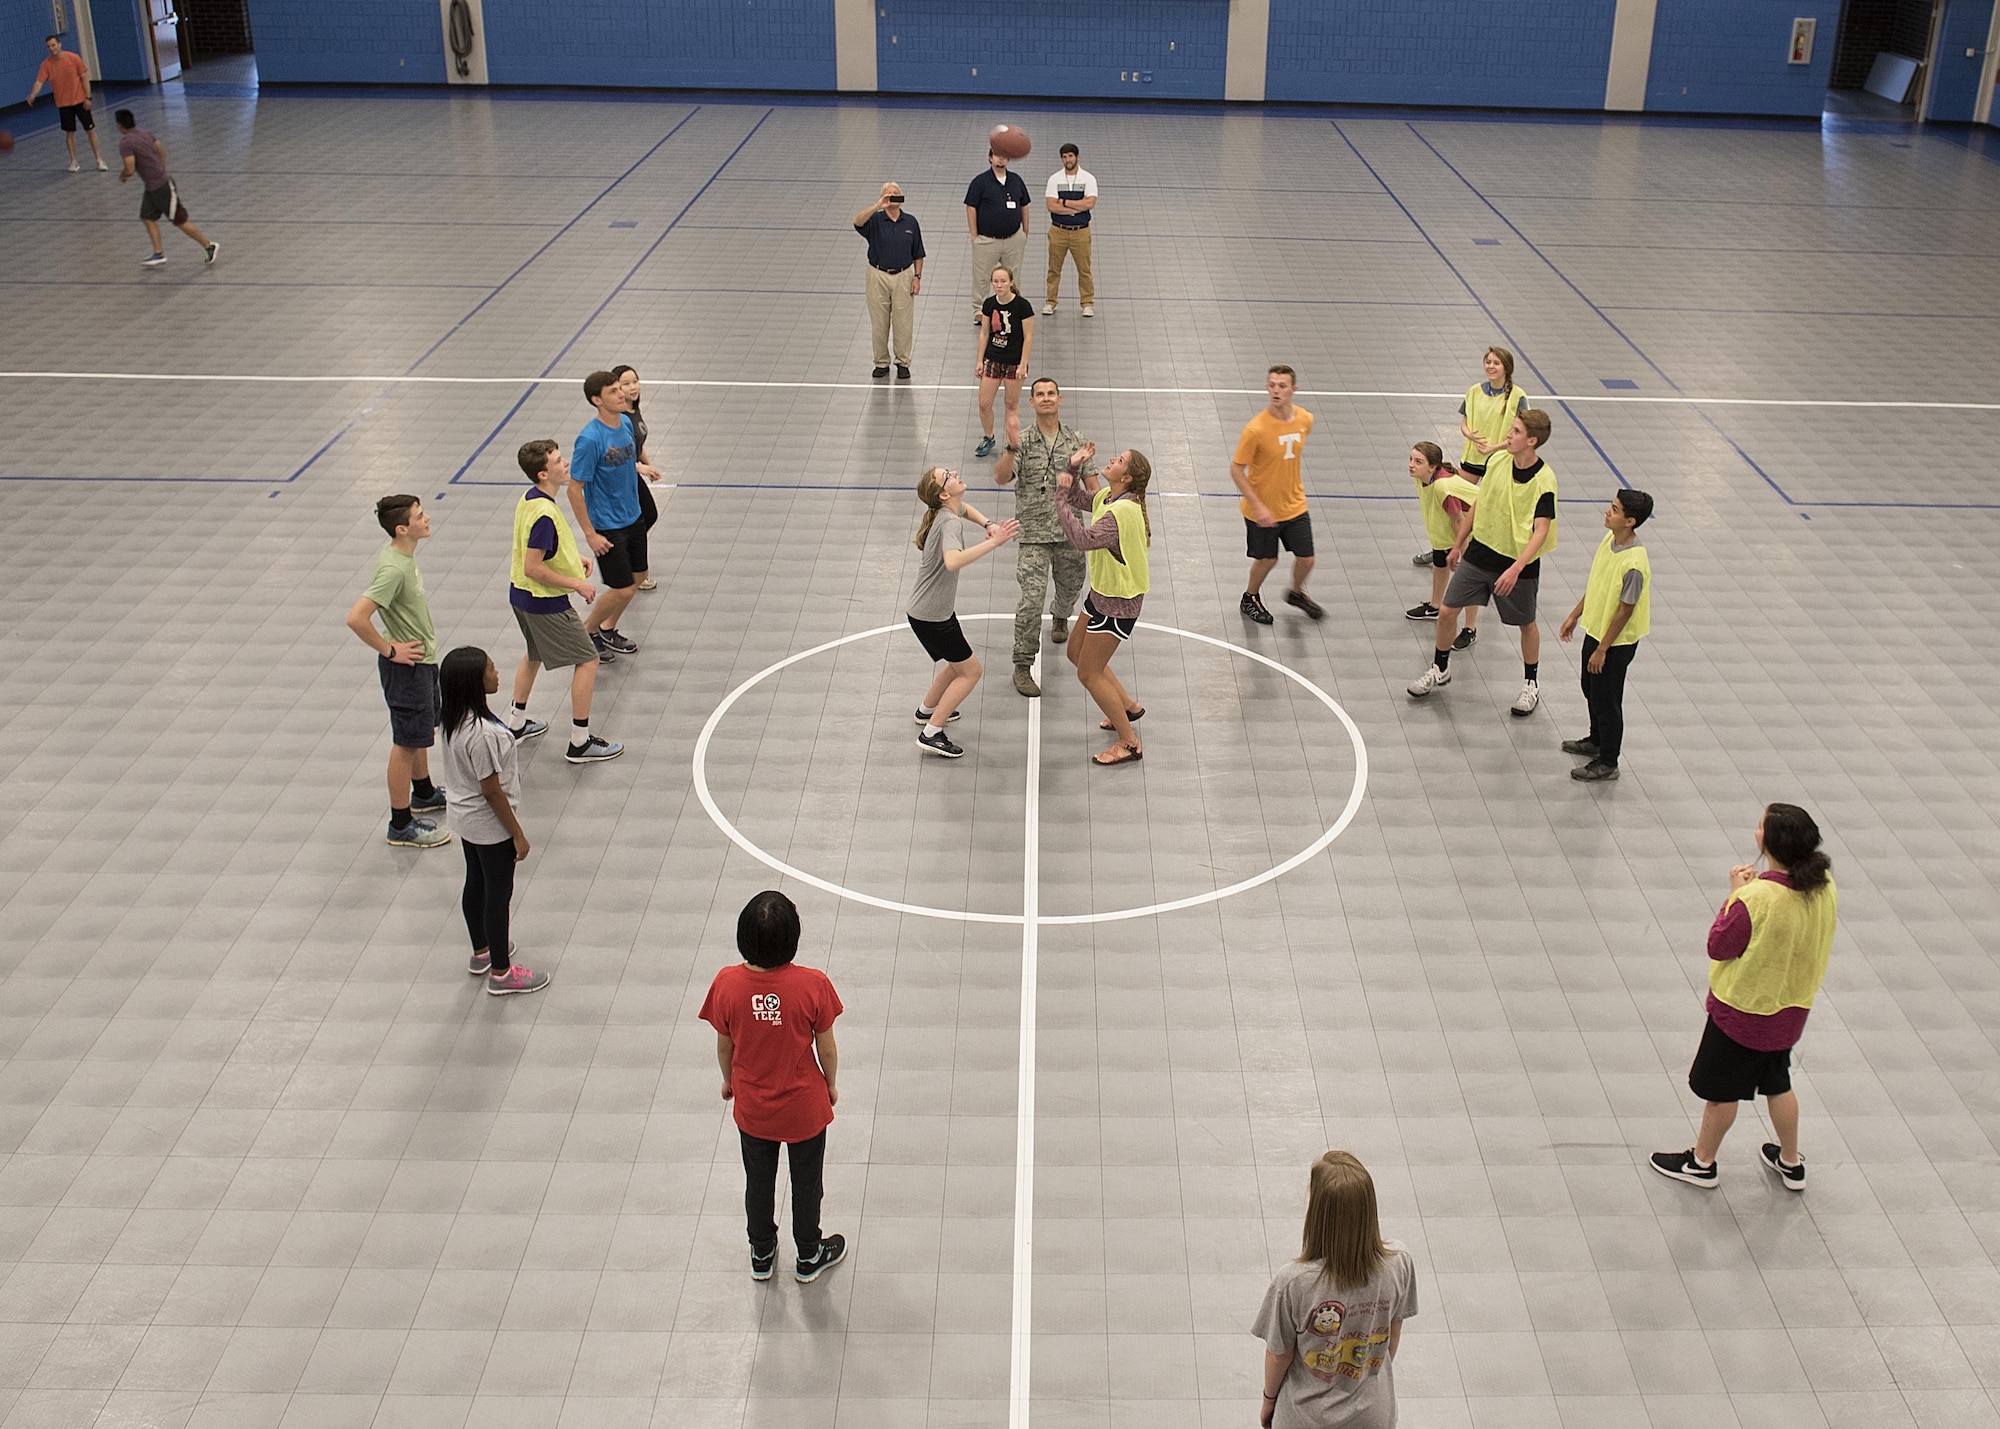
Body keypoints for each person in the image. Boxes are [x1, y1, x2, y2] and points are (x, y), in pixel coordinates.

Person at [1652, 805, 1836, 1192]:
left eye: (1759, 825)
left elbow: (1720, 945)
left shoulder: (1757, 899)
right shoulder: (1823, 886)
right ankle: (1790, 1161)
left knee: (1721, 1093)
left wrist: (1736, 895)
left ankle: (1702, 1164)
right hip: (1791, 1009)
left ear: (1769, 842)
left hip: (1745, 1013)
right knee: (1778, 1083)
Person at [699, 891, 849, 1284]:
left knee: (758, 1182)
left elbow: (724, 1044)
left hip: (754, 1110)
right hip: (804, 1109)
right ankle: (809, 1254)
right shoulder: (812, 985)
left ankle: (762, 1251)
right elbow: (827, 1048)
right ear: (793, 940)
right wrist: (830, 1086)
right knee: (807, 1184)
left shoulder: (727, 984)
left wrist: (729, 1081)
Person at [1406, 410, 1557, 715]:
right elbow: (1479, 504)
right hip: (1481, 551)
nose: (1508, 436)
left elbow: (1541, 531)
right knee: (1447, 612)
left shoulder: (1545, 480)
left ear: (1532, 440)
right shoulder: (1499, 461)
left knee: (1526, 624)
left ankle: (1531, 684)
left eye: (1514, 432)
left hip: (1517, 563)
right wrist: (1459, 543)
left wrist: (1515, 569)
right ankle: (1440, 668)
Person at [1252, 1151, 1418, 1429]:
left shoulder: (1294, 1283)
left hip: (1305, 1418)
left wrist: (1269, 1400)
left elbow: (1279, 1354)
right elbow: (1392, 1332)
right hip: (1373, 1414)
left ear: (1318, 1213)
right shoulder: (1399, 1262)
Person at [436, 647, 550, 996]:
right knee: (498, 896)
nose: (497, 672)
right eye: (490, 669)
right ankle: (502, 973)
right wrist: (517, 834)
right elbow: (492, 791)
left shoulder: (452, 719)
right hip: (489, 825)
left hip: (464, 818)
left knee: (476, 883)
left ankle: (481, 952)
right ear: (474, 682)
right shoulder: (484, 734)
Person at [507, 439, 623, 764]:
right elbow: (534, 566)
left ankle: (516, 724)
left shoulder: (530, 499)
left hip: (519, 594)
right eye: (558, 461)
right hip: (544, 602)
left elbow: (540, 552)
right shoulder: (544, 513)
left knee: (533, 653)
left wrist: (575, 560)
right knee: (587, 659)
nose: (566, 463)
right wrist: (576, 583)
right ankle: (580, 741)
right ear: (544, 473)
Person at [344, 495, 448, 848]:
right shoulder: (392, 569)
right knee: (405, 743)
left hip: (421, 660)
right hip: (407, 667)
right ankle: (400, 823)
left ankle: (423, 792)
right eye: (420, 516)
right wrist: (390, 649)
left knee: (418, 734)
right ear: (402, 528)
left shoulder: (403, 555)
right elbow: (357, 618)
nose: (427, 518)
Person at [908, 468, 1020, 758]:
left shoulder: (946, 512)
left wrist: (989, 523)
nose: (955, 473)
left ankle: (926, 710)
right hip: (934, 616)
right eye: (947, 476)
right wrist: (993, 542)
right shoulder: (949, 524)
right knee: (971, 672)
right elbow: (953, 561)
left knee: (956, 664)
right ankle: (931, 732)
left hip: (927, 612)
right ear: (944, 494)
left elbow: (966, 509)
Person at [995, 378, 1094, 697]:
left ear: (1060, 400)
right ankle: (1022, 665)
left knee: (1071, 588)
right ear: (1032, 403)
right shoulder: (1020, 440)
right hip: (1034, 534)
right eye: (1040, 394)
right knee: (1031, 600)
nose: (1046, 398)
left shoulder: (1076, 439)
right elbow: (1001, 478)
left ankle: (1061, 615)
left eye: (1051, 393)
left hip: (1070, 532)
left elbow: (1094, 488)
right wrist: (1010, 445)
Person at [1056, 444, 1151, 766]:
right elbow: (1077, 498)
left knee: (1088, 672)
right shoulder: (1107, 498)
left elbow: (1082, 539)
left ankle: (1129, 742)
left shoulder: (1121, 513)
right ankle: (1127, 706)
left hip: (1118, 602)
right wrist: (1073, 468)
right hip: (1102, 592)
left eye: (1119, 461)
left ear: (1127, 476)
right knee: (1075, 652)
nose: (1111, 460)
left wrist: (1059, 497)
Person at [1557, 488, 1654, 782]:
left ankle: (1608, 761)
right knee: (1590, 687)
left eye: (1614, 510)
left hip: (1614, 643)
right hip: (1597, 632)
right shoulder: (1608, 541)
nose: (1607, 512)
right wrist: (1576, 614)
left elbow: (1625, 611)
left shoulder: (1634, 565)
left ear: (1630, 521)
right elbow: (1598, 583)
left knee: (1607, 700)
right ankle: (1596, 739)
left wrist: (1603, 650)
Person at [1415, 347, 1533, 567]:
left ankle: (1499, 556)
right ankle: (1441, 548)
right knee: (1453, 506)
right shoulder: (1474, 392)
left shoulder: (1518, 396)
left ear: (1506, 368)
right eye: (1488, 362)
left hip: (1499, 462)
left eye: (1496, 363)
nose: (1490, 366)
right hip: (1472, 459)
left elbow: (1523, 432)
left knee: (1496, 509)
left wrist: (1494, 448)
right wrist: (1469, 434)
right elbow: (1465, 423)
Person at [568, 371, 648, 659]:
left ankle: (607, 627)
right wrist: (590, 533)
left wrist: (642, 468)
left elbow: (628, 459)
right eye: (613, 391)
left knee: (640, 575)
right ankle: (587, 631)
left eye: (620, 389)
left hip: (633, 515)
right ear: (596, 400)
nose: (621, 394)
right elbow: (574, 489)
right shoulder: (589, 440)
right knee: (623, 589)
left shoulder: (625, 422)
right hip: (608, 525)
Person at [1233, 366, 1321, 624]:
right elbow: (1236, 470)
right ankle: (1250, 597)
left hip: (1294, 504)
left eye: (1282, 385)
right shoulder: (1256, 429)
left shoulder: (1305, 419)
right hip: (1261, 510)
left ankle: (1296, 592)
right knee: (1267, 560)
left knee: (1307, 558)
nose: (1275, 390)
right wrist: (1258, 506)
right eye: (1271, 385)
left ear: (1293, 389)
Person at [115, 110, 216, 268]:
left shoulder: (126, 143)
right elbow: (160, 150)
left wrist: (124, 176)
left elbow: (130, 168)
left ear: (119, 125)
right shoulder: (145, 133)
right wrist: (160, 168)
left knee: (179, 220)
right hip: (153, 186)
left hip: (161, 187)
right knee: (147, 216)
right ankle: (158, 252)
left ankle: (208, 246)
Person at [1404, 442, 1479, 646]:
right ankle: (1435, 606)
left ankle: (1470, 628)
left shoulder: (1443, 487)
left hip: (1472, 531)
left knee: (1469, 579)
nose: (1411, 465)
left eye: (1418, 462)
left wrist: (1463, 551)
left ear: (1432, 466)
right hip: (1443, 535)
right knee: (1439, 563)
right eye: (1411, 459)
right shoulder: (1423, 479)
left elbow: (1458, 520)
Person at [852, 182, 924, 380]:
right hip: (878, 275)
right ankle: (881, 362)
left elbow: (918, 252)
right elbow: (857, 222)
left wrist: (917, 277)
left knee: (903, 322)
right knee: (879, 322)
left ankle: (902, 362)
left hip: (903, 276)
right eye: (888, 194)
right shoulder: (875, 220)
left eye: (895, 194)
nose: (892, 197)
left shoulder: (910, 222)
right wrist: (877, 206)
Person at [609, 365, 667, 591]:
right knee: (644, 516)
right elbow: (616, 453)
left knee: (646, 516)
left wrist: (649, 464)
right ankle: (631, 565)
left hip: (633, 473)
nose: (633, 387)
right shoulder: (619, 418)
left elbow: (637, 444)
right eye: (626, 384)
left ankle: (631, 559)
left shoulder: (633, 410)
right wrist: (640, 468)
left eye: (635, 381)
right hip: (623, 476)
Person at [964, 147, 1029, 326]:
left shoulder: (1016, 180)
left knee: (1013, 275)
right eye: (997, 156)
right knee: (982, 276)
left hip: (1013, 239)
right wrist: (974, 235)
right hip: (987, 240)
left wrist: (1025, 232)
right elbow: (971, 207)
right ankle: (979, 310)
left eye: (1004, 156)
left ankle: (1013, 307)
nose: (1001, 160)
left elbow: (1024, 205)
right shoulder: (980, 182)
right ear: (990, 158)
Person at [974, 266, 1034, 459]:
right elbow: (984, 333)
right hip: (993, 359)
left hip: (1013, 362)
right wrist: (980, 360)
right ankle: (988, 437)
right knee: (984, 403)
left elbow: (1028, 336)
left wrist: (1023, 363)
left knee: (1011, 403)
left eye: (1003, 281)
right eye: (996, 282)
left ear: (1011, 282)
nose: (999, 285)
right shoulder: (989, 304)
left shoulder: (1022, 306)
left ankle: (1012, 442)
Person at [25, 35, 105, 172]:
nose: (51, 48)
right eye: (49, 46)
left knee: (90, 130)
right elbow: (39, 82)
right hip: (63, 103)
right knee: (69, 132)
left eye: (53, 45)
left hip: (80, 100)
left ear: (59, 44)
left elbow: (84, 78)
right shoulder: (46, 65)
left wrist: (88, 97)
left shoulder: (73, 58)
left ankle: (99, 159)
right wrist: (33, 94)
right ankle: (73, 161)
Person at [1043, 143, 1096, 317]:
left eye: (1071, 156)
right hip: (1058, 231)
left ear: (1077, 157)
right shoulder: (1054, 179)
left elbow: (1090, 203)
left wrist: (1064, 203)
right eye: (1065, 157)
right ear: (1062, 159)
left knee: (1084, 269)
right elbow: (1051, 205)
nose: (1068, 160)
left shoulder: (1088, 178)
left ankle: (1087, 303)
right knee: (1054, 269)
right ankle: (1051, 301)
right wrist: (1077, 207)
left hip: (1081, 232)